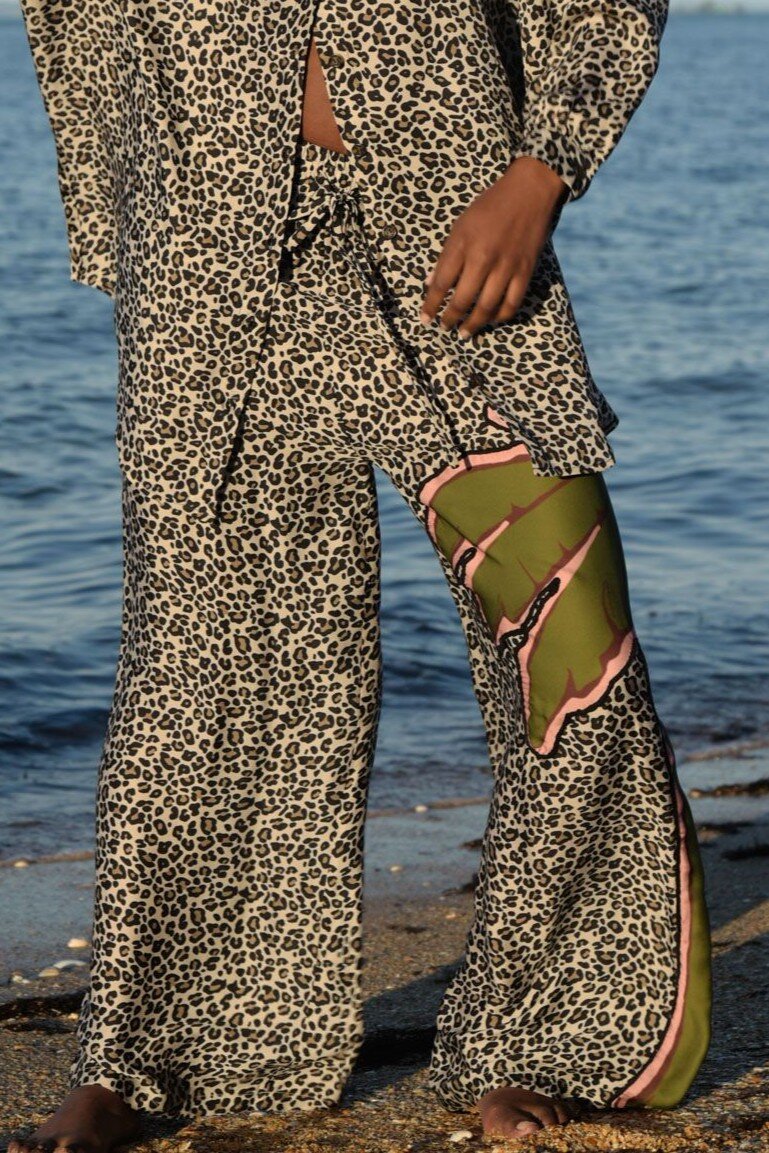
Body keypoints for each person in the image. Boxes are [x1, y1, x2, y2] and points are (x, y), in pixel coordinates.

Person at [11, 2, 712, 1150]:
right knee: (200, 668)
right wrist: (127, 213)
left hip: (448, 213)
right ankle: (145, 1056)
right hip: (204, 234)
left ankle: (553, 1035)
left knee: (568, 637)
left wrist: (541, 168)